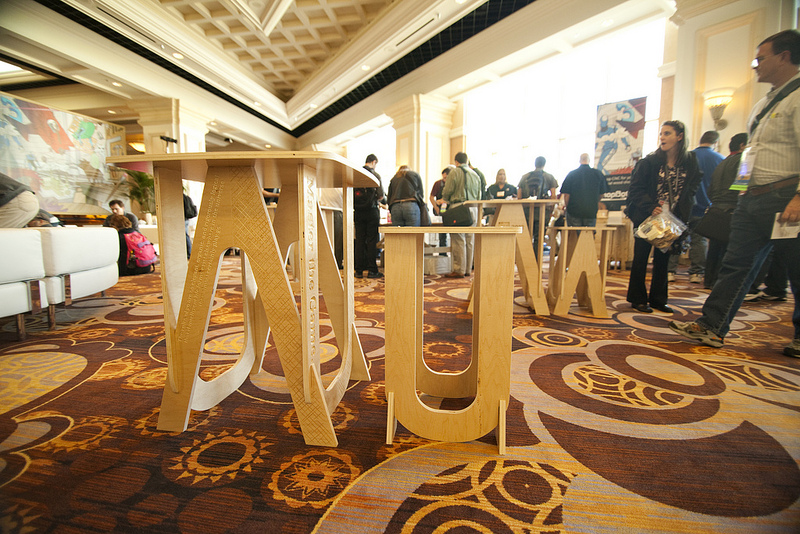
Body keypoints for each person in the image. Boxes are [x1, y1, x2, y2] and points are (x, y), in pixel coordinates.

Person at [669, 30, 800, 359]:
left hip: (786, 197)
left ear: (784, 57)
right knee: (735, 264)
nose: (755, 66)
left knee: (797, 269)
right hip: (751, 198)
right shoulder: (763, 103)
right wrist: (741, 193)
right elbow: (751, 154)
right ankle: (712, 325)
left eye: (761, 58)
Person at [625, 120, 702, 314]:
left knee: (663, 259)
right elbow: (635, 189)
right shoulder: (649, 162)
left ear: (680, 136)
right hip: (647, 215)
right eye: (661, 134)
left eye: (667, 134)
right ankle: (638, 298)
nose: (662, 138)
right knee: (641, 257)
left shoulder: (690, 161)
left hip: (672, 217)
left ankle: (659, 299)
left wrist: (683, 208)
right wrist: (650, 206)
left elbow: (693, 186)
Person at [668, 131, 724, 283]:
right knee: (699, 241)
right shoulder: (720, 159)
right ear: (716, 142)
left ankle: (670, 271)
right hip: (704, 206)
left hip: (683, 205)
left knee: (675, 236)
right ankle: (696, 273)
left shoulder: (688, 157)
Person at [703, 133, 748, 289]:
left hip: (716, 208)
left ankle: (709, 281)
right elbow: (743, 188)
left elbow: (710, 189)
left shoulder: (722, 162)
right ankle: (720, 284)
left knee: (714, 249)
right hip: (732, 209)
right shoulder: (744, 161)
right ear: (742, 145)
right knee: (728, 250)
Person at [443, 152, 482, 278]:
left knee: (458, 238)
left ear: (456, 162)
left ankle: (458, 269)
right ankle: (468, 269)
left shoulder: (454, 172)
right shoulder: (475, 174)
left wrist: (445, 199)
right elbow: (479, 194)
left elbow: (448, 190)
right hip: (474, 207)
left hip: (459, 207)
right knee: (470, 239)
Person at [518, 156, 558, 254]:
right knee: (539, 238)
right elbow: (553, 196)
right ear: (544, 164)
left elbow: (519, 196)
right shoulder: (549, 177)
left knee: (526, 237)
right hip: (542, 212)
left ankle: (526, 262)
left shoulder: (525, 177)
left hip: (527, 211)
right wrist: (551, 211)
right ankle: (537, 264)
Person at [353, 154, 385, 279]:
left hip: (358, 211)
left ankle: (359, 271)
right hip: (371, 211)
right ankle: (372, 270)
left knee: (360, 240)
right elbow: (381, 195)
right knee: (372, 241)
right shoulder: (375, 175)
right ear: (374, 162)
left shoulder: (356, 174)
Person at [559, 153, 608, 227]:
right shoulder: (598, 174)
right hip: (591, 211)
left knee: (574, 235)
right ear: (589, 160)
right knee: (589, 235)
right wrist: (595, 201)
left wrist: (567, 207)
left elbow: (566, 195)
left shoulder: (572, 174)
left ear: (579, 160)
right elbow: (602, 194)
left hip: (574, 211)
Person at [430, 166, 453, 251]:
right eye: (443, 178)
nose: (444, 180)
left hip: (451, 210)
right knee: (442, 231)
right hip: (441, 210)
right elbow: (431, 197)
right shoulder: (438, 184)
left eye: (446, 178)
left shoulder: (453, 185)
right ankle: (442, 251)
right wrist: (436, 207)